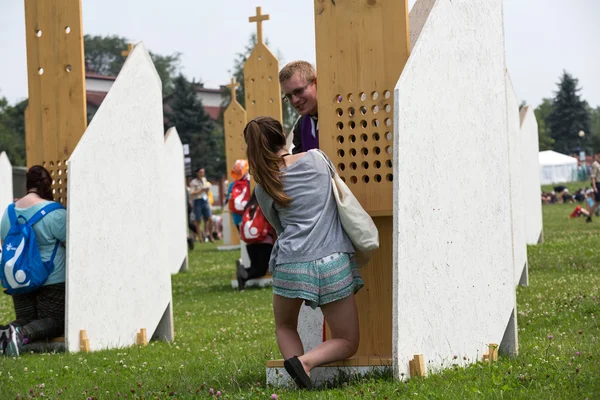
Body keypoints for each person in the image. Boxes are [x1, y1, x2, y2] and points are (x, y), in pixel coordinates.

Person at [244, 116, 363, 389]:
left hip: (290, 265)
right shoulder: (318, 159)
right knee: (346, 340)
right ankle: (306, 363)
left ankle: (300, 374)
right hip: (332, 260)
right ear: (283, 135)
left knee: (285, 326)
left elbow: (278, 227)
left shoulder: (264, 186)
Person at [0, 165, 67, 356]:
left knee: (25, 317)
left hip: (18, 278)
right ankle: (20, 336)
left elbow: (5, 243)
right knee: (54, 321)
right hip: (51, 278)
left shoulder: (9, 213)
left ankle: (8, 334)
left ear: (26, 184)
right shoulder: (55, 213)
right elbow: (73, 245)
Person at [236, 192, 276, 291]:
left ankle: (242, 274)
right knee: (261, 270)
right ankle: (243, 276)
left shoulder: (248, 206)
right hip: (264, 241)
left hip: (250, 242)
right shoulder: (263, 205)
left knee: (255, 267)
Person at [279, 61, 319, 154]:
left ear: (316, 82)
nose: (294, 100)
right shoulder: (300, 127)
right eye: (289, 96)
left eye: (299, 91)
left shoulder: (343, 112)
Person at [224, 160, 250, 232]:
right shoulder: (250, 183)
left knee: (242, 235)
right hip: (250, 214)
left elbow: (228, 201)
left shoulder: (232, 185)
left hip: (237, 215)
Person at [190, 168, 214, 242]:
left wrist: (206, 191)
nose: (202, 173)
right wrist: (201, 190)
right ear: (197, 173)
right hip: (197, 201)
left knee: (210, 219)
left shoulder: (204, 179)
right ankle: (200, 238)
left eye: (203, 172)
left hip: (205, 200)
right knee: (198, 220)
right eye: (201, 172)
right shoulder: (193, 182)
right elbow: (192, 193)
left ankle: (210, 235)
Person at [586, 152, 600, 222]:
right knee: (597, 202)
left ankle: (589, 217)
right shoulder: (595, 164)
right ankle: (589, 217)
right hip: (597, 184)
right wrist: (594, 187)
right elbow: (593, 177)